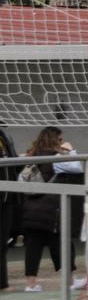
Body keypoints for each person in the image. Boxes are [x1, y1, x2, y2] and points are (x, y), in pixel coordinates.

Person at [17, 127, 86, 293]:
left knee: (33, 247)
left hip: (31, 209)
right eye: (60, 140)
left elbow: (20, 179)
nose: (62, 143)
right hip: (51, 211)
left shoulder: (31, 156)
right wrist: (71, 150)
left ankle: (30, 285)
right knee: (64, 246)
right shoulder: (56, 158)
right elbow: (77, 167)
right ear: (55, 140)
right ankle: (70, 282)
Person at [0, 125, 19, 291]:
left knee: (2, 242)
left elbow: (13, 160)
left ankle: (2, 283)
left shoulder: (5, 136)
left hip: (7, 197)